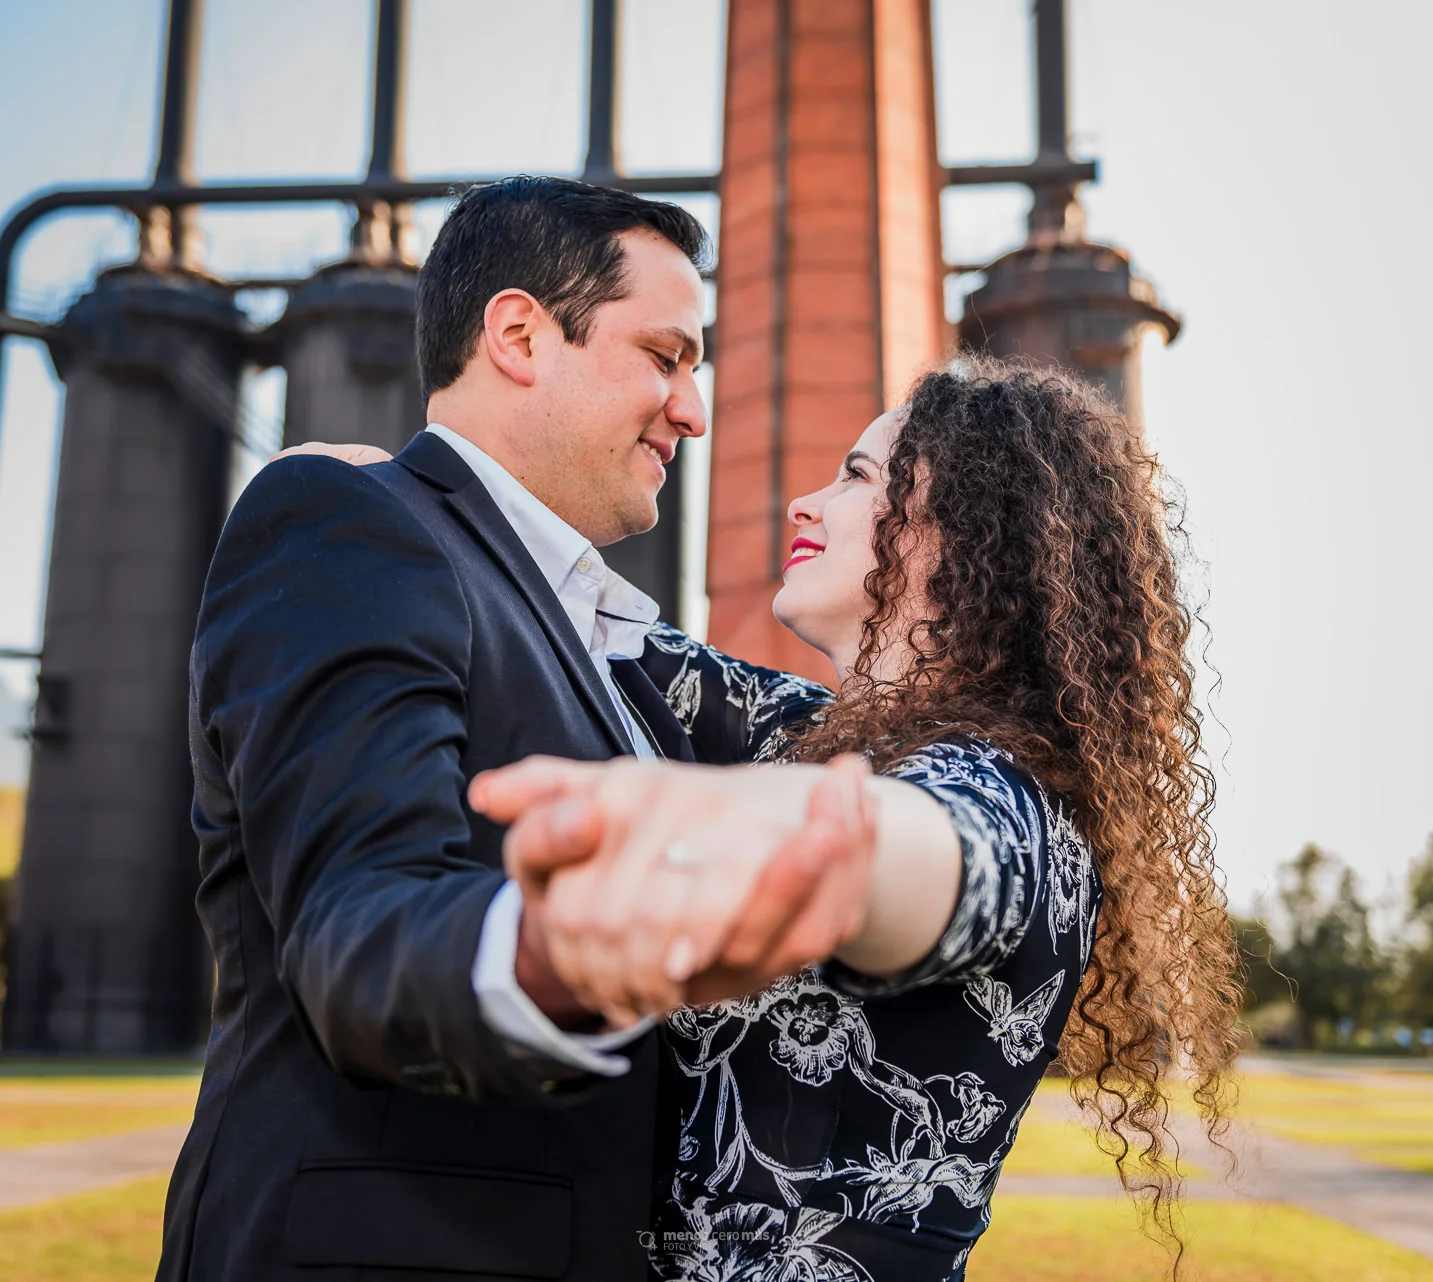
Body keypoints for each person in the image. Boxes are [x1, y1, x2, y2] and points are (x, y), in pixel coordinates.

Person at [309, 357, 1240, 1280]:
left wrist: (817, 845)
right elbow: (591, 627)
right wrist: (397, 498)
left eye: (857, 477)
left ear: (965, 534)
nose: (804, 505)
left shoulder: (1015, 804)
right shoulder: (808, 734)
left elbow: (935, 847)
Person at [159, 177, 883, 1282]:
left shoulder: (613, 635)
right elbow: (361, 922)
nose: (694, 410)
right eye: (666, 356)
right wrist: (554, 953)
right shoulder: (353, 521)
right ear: (519, 337)